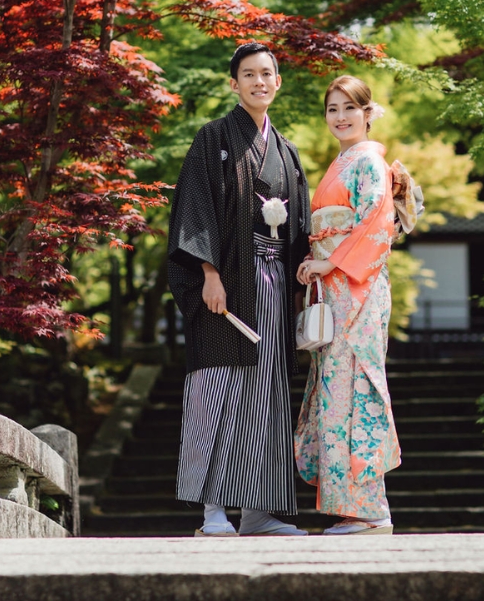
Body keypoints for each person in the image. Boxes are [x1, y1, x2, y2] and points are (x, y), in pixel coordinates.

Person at [166, 43, 311, 537]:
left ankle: (259, 512)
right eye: (248, 75)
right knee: (218, 389)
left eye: (267, 74)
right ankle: (213, 511)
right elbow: (196, 208)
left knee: (267, 394)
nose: (259, 82)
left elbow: (301, 230)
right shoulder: (214, 138)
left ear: (278, 81)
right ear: (234, 83)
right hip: (226, 285)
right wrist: (209, 274)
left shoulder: (287, 152)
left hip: (272, 285)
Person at [294, 75, 402, 535]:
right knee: (336, 391)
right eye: (332, 109)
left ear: (367, 113)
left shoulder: (369, 164)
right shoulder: (342, 162)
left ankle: (371, 508)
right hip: (336, 286)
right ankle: (353, 507)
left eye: (349, 108)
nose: (340, 117)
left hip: (357, 288)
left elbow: (376, 224)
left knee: (356, 388)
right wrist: (314, 262)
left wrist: (330, 263)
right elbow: (329, 227)